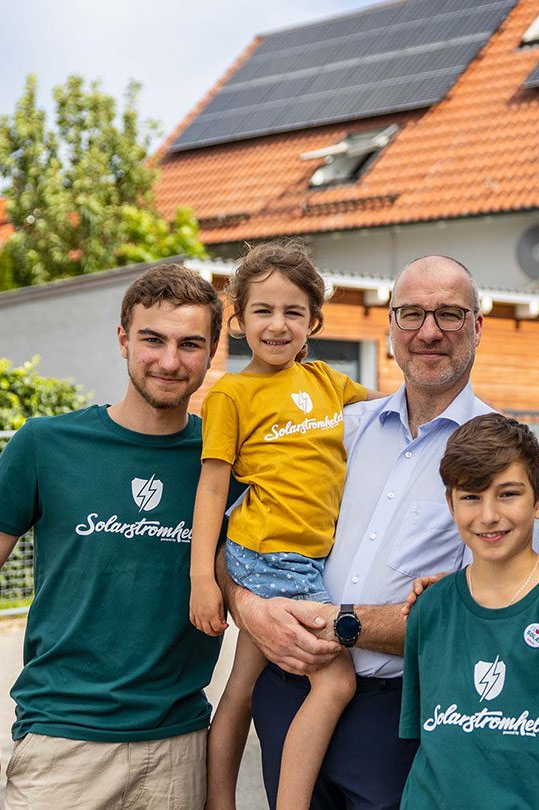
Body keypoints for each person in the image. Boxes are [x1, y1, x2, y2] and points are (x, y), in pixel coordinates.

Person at [223, 255, 539, 809]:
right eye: (412, 313)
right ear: (390, 327)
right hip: (288, 690)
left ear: (478, 326)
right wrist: (248, 608)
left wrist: (341, 625)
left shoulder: (501, 455)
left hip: (402, 718)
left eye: (449, 314)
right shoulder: (338, 428)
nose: (429, 332)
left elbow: (495, 618)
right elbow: (236, 536)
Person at [0, 263, 227, 810]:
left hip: (179, 745)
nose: (170, 361)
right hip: (62, 741)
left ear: (211, 352)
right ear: (123, 340)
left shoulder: (223, 459)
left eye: (190, 344)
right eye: (153, 340)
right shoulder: (47, 444)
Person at [190, 242, 371, 810]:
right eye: (263, 311)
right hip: (271, 554)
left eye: (293, 312)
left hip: (307, 556)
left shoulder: (329, 383)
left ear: (313, 321)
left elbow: (397, 417)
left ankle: (220, 803)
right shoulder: (232, 395)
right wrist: (203, 579)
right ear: (238, 321)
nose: (278, 324)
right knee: (336, 681)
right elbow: (213, 489)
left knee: (241, 687)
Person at [399, 413, 539, 809]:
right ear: (450, 504)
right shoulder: (430, 609)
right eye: (471, 496)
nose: (488, 515)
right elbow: (431, 744)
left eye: (507, 494)